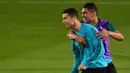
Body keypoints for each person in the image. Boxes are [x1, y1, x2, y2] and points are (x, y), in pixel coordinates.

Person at [67, 3, 124, 73]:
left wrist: (109, 33)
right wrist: (76, 37)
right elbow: (70, 33)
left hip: (105, 61)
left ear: (93, 13)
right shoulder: (82, 25)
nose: (82, 15)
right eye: (82, 13)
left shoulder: (105, 24)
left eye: (85, 13)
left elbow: (121, 37)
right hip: (89, 63)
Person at [62, 8, 107, 73]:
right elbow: (77, 57)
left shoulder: (90, 30)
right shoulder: (74, 35)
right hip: (85, 68)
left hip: (98, 68)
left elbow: (100, 50)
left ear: (73, 18)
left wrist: (85, 62)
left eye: (65, 18)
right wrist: (74, 71)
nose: (63, 21)